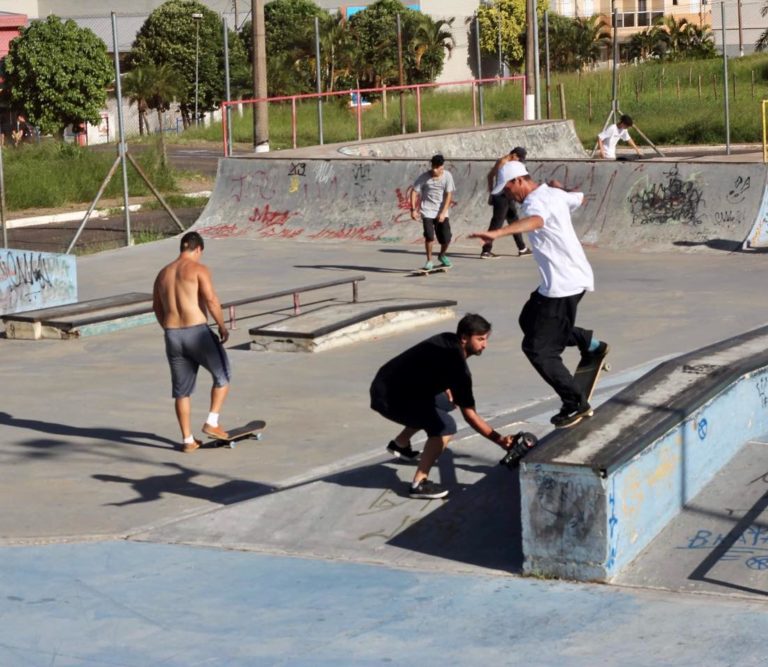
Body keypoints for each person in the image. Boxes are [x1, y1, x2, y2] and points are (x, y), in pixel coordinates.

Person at [470, 161, 609, 429]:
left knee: (538, 349)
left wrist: (498, 232)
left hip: (563, 286)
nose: (508, 195)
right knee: (528, 320)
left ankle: (575, 403)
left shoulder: (534, 202)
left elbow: (536, 221)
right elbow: (578, 197)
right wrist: (561, 186)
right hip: (561, 282)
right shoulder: (554, 193)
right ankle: (589, 343)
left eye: (508, 189)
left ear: (519, 181)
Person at [370, 313, 515, 499]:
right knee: (445, 427)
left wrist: (444, 384)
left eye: (486, 339)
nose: (484, 345)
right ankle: (419, 484)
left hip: (387, 382)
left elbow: (425, 362)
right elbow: (470, 416)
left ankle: (400, 444)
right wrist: (500, 441)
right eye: (480, 339)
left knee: (446, 403)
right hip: (391, 398)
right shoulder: (459, 370)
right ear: (464, 338)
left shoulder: (446, 339)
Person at [153, 231, 232, 453]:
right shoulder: (199, 269)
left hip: (172, 335)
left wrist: (168, 329)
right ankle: (212, 422)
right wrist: (222, 326)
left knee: (181, 391)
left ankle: (187, 440)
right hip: (197, 332)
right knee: (223, 375)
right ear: (198, 249)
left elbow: (157, 307)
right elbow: (211, 299)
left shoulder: (163, 274)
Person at [482, 146, 531, 259]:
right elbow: (490, 176)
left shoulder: (512, 164)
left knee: (514, 221)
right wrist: (491, 192)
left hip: (508, 196)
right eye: (519, 159)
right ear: (514, 155)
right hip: (501, 196)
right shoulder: (503, 162)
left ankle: (522, 248)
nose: (519, 162)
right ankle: (486, 251)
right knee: (497, 223)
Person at [410, 154, 455, 271]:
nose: (434, 170)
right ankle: (429, 260)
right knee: (429, 236)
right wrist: (413, 209)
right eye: (433, 167)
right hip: (427, 211)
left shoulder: (447, 176)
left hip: (441, 211)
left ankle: (442, 255)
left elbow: (449, 195)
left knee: (446, 238)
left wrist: (443, 212)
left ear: (442, 167)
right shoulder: (424, 177)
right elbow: (414, 192)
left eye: (437, 168)